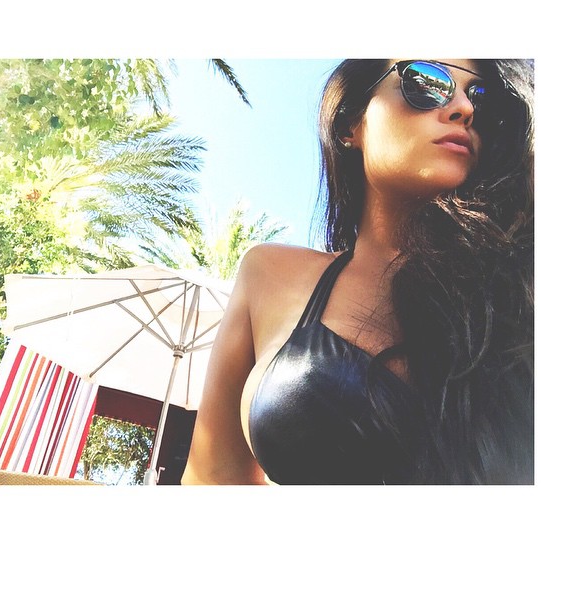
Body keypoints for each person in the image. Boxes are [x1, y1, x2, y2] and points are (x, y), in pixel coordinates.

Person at [181, 59, 534, 485]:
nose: (464, 107)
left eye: (480, 97)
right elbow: (211, 480)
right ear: (351, 124)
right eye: (427, 82)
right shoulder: (269, 275)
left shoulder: (523, 285)